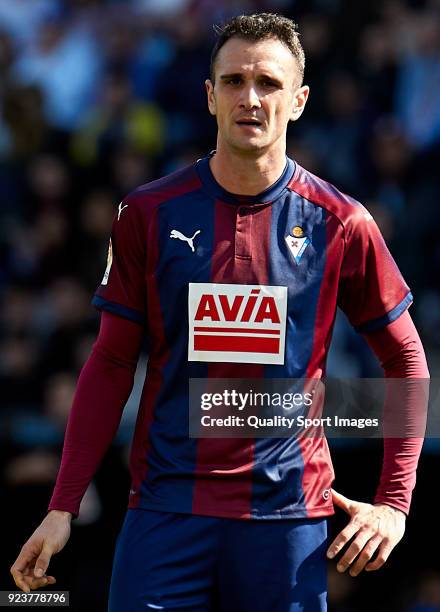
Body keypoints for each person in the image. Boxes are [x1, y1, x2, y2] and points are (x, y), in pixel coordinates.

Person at [11, 13, 429, 612]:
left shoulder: (341, 222)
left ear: (301, 100)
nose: (250, 98)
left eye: (268, 83)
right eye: (233, 81)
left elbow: (406, 357)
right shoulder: (147, 214)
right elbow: (109, 363)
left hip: (286, 520)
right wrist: (63, 504)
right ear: (209, 96)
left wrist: (394, 502)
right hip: (164, 511)